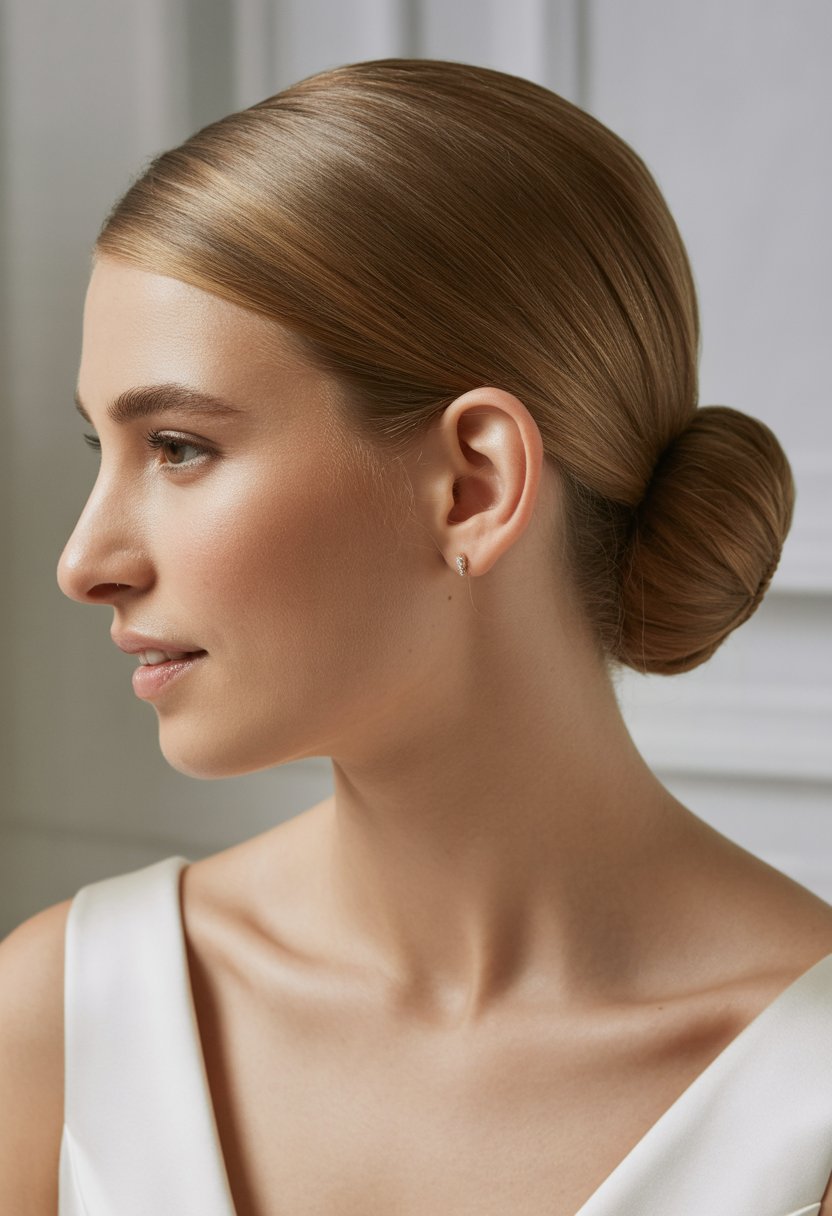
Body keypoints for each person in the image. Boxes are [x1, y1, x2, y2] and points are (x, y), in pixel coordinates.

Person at [1, 56, 830, 1216]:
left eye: (179, 447)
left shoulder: (806, 1094)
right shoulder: (62, 1016)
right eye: (107, 451)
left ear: (472, 486)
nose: (84, 562)